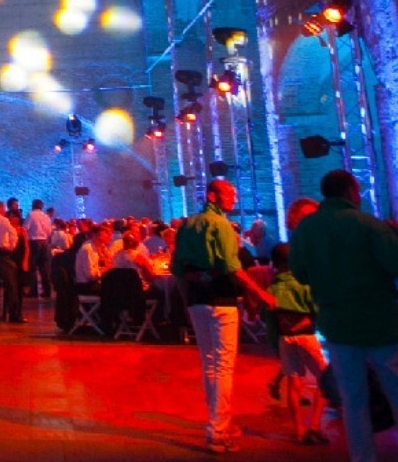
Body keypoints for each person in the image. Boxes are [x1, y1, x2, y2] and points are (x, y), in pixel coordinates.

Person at [290, 170, 398, 462]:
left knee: (352, 400)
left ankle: (363, 457)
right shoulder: (371, 226)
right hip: (380, 323)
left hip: (337, 325)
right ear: (351, 191)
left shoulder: (306, 230)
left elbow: (299, 272)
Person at [170, 179, 275, 454]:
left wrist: (186, 299)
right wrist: (262, 295)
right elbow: (232, 268)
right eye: (231, 194)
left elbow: (177, 268)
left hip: (196, 301)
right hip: (222, 301)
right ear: (213, 195)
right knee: (224, 366)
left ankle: (220, 423)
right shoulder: (223, 226)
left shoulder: (187, 226)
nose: (235, 199)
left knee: (209, 364)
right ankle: (218, 431)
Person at [265, 243, 328, 445]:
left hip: (284, 339)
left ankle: (299, 430)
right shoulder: (305, 284)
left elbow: (268, 319)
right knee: (327, 380)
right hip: (306, 336)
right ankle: (315, 425)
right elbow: (317, 310)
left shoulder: (272, 288)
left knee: (294, 383)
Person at [24, 199, 53, 298]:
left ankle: (33, 291)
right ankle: (47, 291)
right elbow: (49, 232)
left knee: (32, 268)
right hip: (44, 243)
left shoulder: (31, 215)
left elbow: (25, 228)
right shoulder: (46, 216)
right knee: (44, 268)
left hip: (34, 243)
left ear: (33, 205)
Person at [75, 224, 111, 294]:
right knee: (112, 289)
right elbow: (90, 275)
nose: (107, 237)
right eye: (103, 235)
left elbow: (109, 261)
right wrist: (104, 270)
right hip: (85, 285)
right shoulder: (88, 249)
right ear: (94, 236)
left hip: (93, 282)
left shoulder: (98, 246)